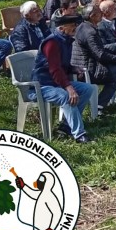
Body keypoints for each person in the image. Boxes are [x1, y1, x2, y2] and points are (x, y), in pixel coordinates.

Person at [31, 14, 96, 142]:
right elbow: (55, 69)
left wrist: (73, 69)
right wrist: (69, 88)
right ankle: (79, 134)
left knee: (88, 89)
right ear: (61, 28)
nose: (75, 28)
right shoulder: (51, 42)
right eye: (72, 26)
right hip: (42, 85)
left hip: (56, 83)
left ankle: (66, 125)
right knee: (66, 96)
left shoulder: (66, 40)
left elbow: (62, 64)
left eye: (76, 25)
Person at [73, 4, 116, 107]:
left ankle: (99, 106)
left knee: (115, 76)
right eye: (99, 12)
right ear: (92, 16)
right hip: (87, 70)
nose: (102, 14)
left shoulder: (83, 27)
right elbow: (101, 55)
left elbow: (100, 51)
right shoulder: (90, 32)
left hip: (86, 66)